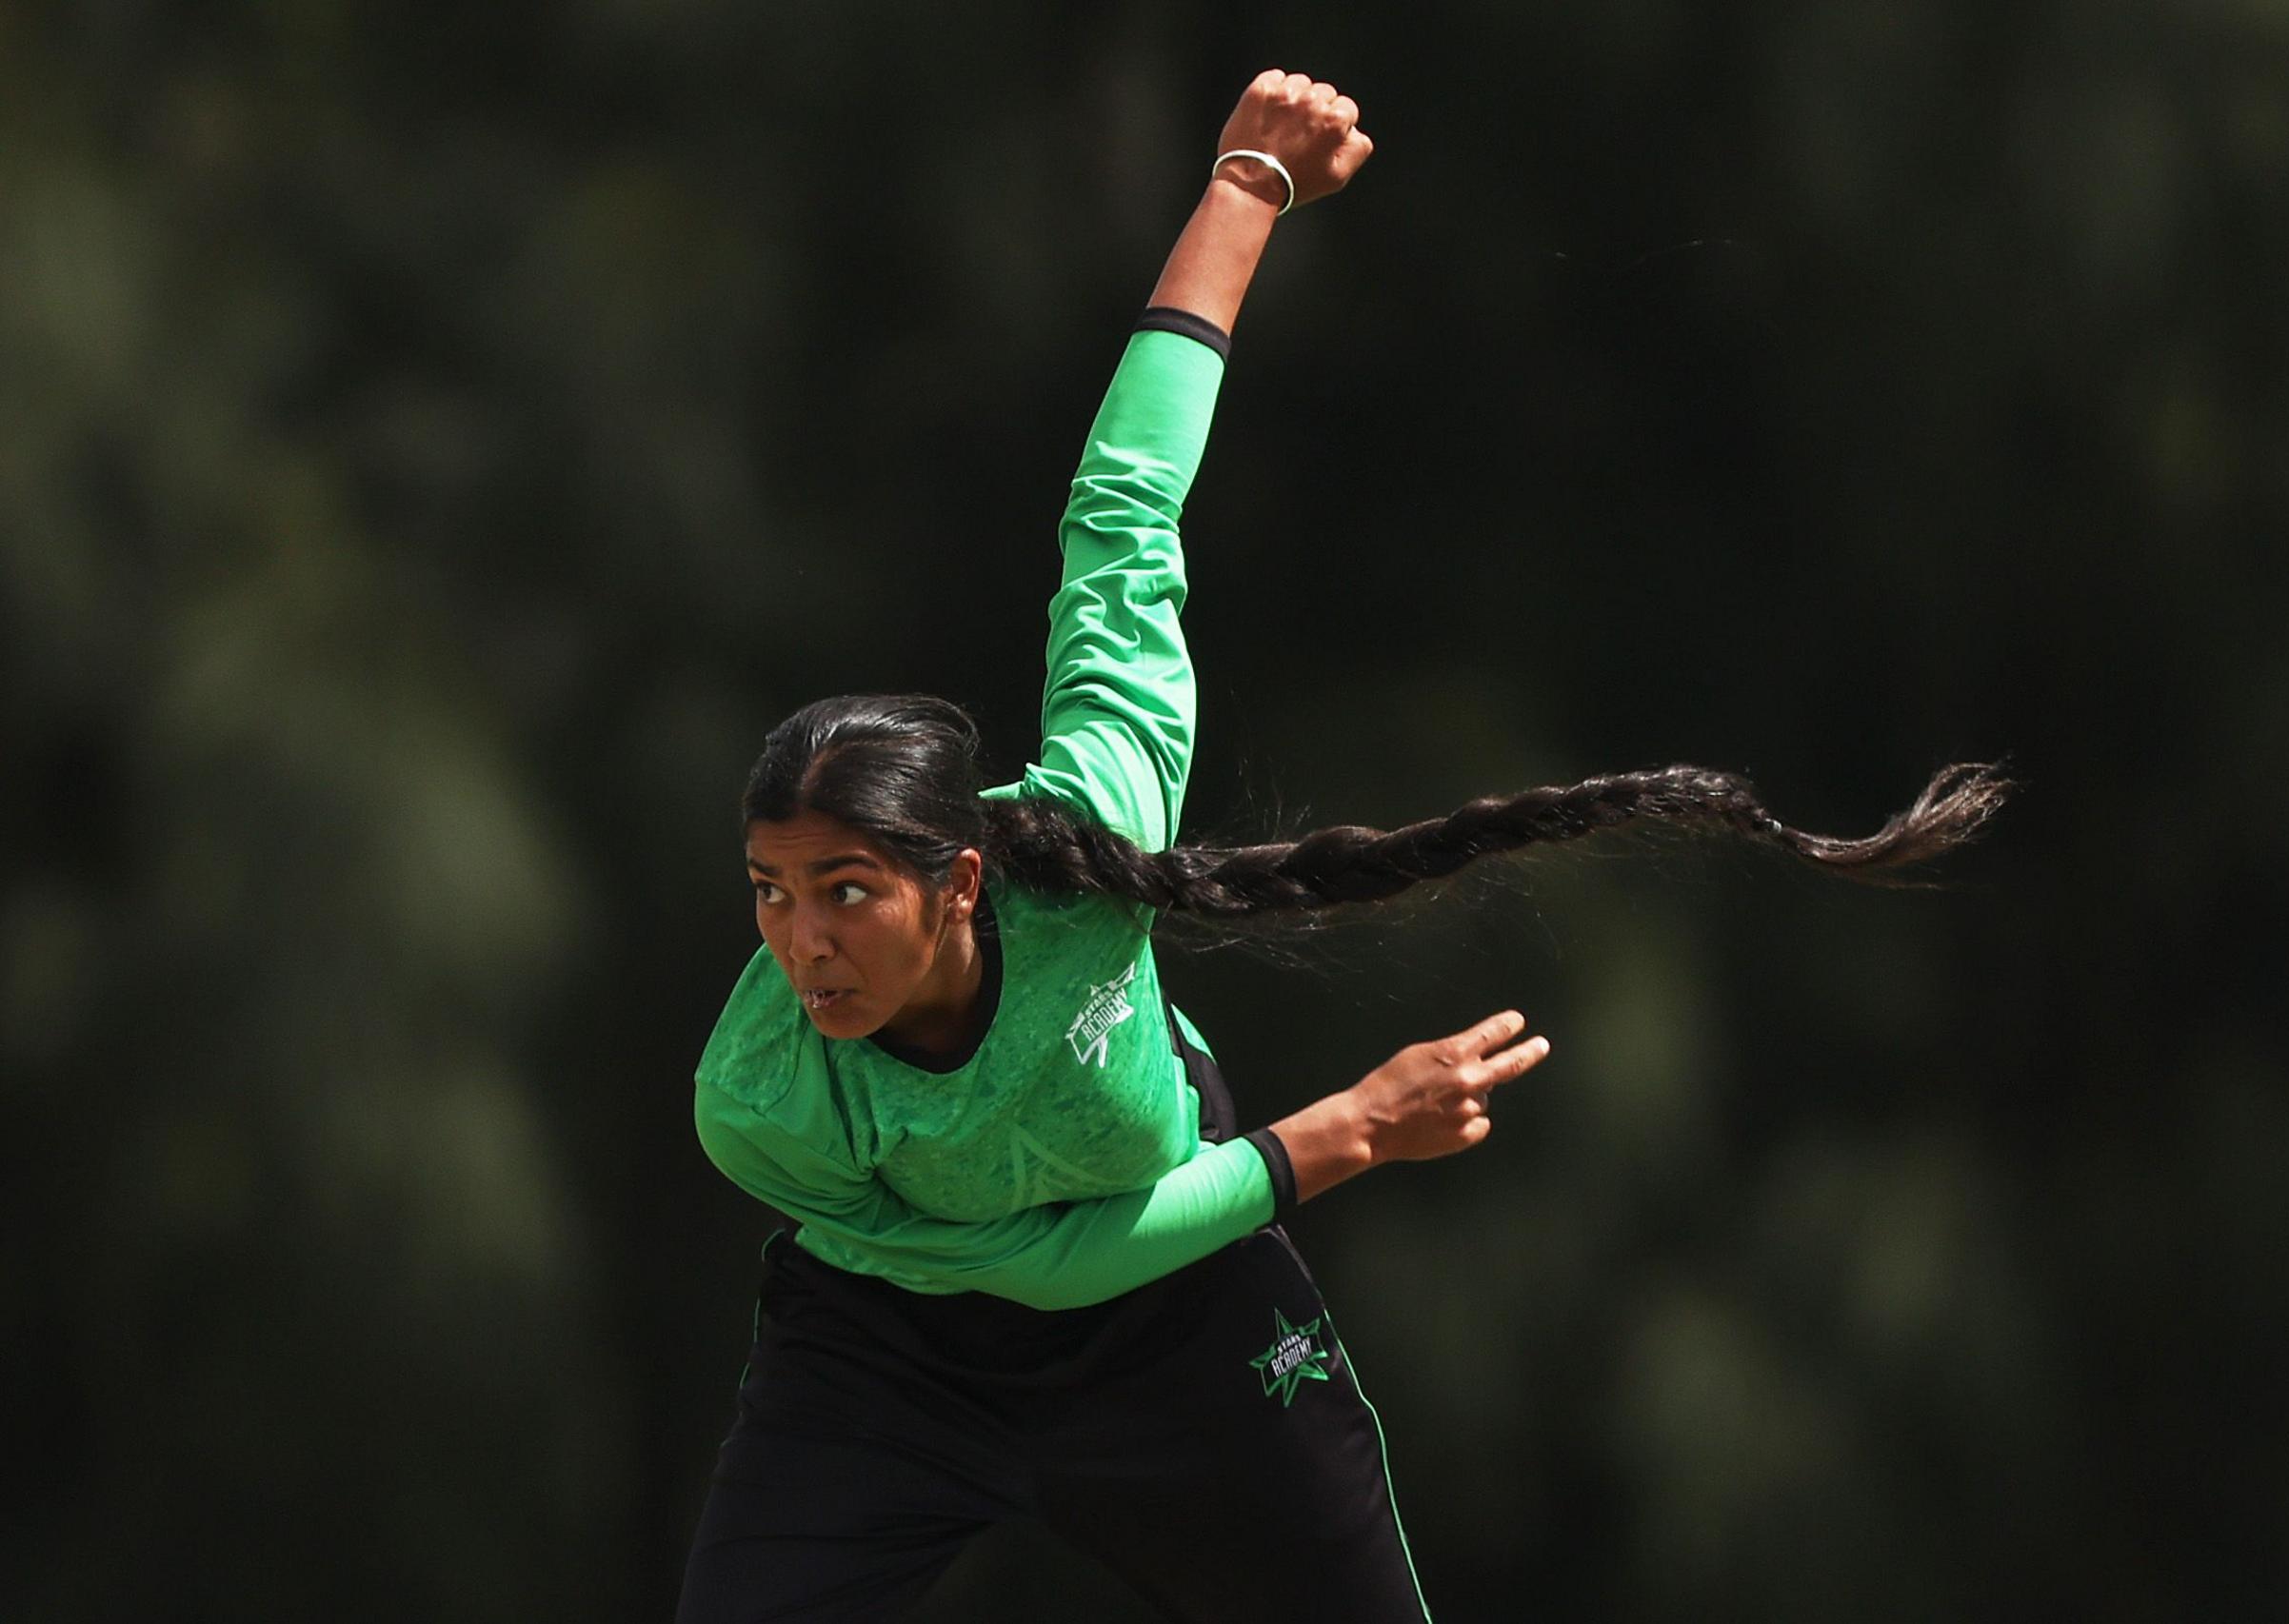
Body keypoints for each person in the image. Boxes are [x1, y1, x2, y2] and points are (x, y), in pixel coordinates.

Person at [677, 69, 2004, 1624]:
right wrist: (1347, 1131)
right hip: (892, 1359)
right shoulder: (758, 1093)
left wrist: (1245, 183)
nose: (803, 942)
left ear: (960, 878)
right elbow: (1039, 1266)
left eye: (845, 892)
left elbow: (1124, 508)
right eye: (769, 895)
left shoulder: (1089, 822)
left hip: (1181, 1324)